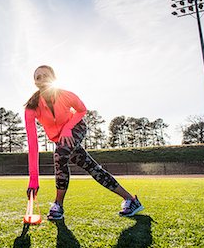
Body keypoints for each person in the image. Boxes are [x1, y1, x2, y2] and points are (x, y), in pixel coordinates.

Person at [24, 65, 144, 219]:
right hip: (60, 140)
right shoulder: (31, 107)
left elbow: (82, 110)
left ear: (53, 78)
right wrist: (33, 180)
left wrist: (67, 128)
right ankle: (131, 200)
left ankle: (58, 205)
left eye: (45, 75)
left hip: (76, 128)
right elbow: (33, 143)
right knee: (93, 168)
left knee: (60, 155)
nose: (42, 79)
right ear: (35, 83)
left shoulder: (66, 95)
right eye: (38, 77)